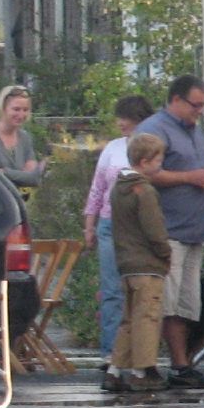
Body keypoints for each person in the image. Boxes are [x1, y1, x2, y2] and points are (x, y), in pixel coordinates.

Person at [136, 75, 204, 389]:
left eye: (203, 106)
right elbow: (147, 173)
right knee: (166, 302)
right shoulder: (155, 129)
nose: (199, 111)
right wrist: (189, 177)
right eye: (195, 105)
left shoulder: (194, 130)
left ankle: (182, 365)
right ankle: (164, 365)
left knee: (186, 302)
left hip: (195, 227)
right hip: (169, 228)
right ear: (176, 100)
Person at [82, 94, 153, 375]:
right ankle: (110, 351)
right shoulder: (112, 148)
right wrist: (90, 224)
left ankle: (138, 351)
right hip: (110, 224)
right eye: (121, 118)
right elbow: (97, 189)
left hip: (138, 227)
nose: (123, 124)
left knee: (140, 290)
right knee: (112, 289)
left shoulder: (151, 149)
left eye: (129, 119)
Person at [108, 133, 172, 393]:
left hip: (126, 264)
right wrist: (165, 252)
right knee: (147, 317)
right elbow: (154, 229)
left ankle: (114, 370)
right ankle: (142, 370)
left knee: (129, 319)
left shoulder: (118, 188)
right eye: (158, 159)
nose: (160, 164)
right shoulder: (144, 191)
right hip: (147, 264)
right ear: (145, 161)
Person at [0, 84, 46, 191]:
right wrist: (22, 175)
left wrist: (5, 172)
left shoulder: (25, 137)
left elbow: (34, 179)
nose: (21, 115)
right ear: (3, 108)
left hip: (20, 200)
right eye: (16, 109)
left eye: (25, 110)